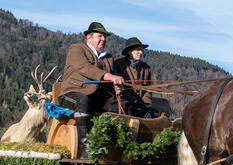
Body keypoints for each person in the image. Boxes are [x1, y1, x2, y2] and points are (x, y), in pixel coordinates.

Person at [58, 22, 125, 152]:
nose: (103, 39)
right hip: (71, 95)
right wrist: (109, 76)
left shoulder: (108, 57)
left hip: (97, 99)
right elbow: (84, 68)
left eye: (105, 37)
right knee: (82, 100)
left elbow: (112, 81)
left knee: (122, 106)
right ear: (89, 38)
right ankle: (86, 148)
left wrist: (117, 88)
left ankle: (115, 148)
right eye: (100, 36)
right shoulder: (77, 49)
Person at [113, 37, 160, 118]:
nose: (140, 52)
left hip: (141, 103)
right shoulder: (119, 64)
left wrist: (146, 105)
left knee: (154, 114)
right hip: (125, 100)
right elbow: (120, 87)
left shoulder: (146, 67)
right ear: (129, 51)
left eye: (141, 50)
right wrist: (134, 101)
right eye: (137, 50)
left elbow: (148, 89)